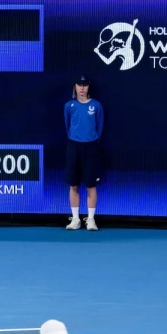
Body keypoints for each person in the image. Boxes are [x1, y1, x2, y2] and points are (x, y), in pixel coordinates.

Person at [64, 74, 103, 231]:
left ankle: (91, 220)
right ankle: (75, 219)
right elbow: (67, 126)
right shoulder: (69, 106)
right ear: (75, 87)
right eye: (79, 85)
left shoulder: (96, 106)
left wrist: (91, 142)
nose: (82, 88)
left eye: (85, 85)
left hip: (91, 147)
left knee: (91, 185)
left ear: (88, 87)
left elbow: (99, 127)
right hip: (74, 147)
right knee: (73, 184)